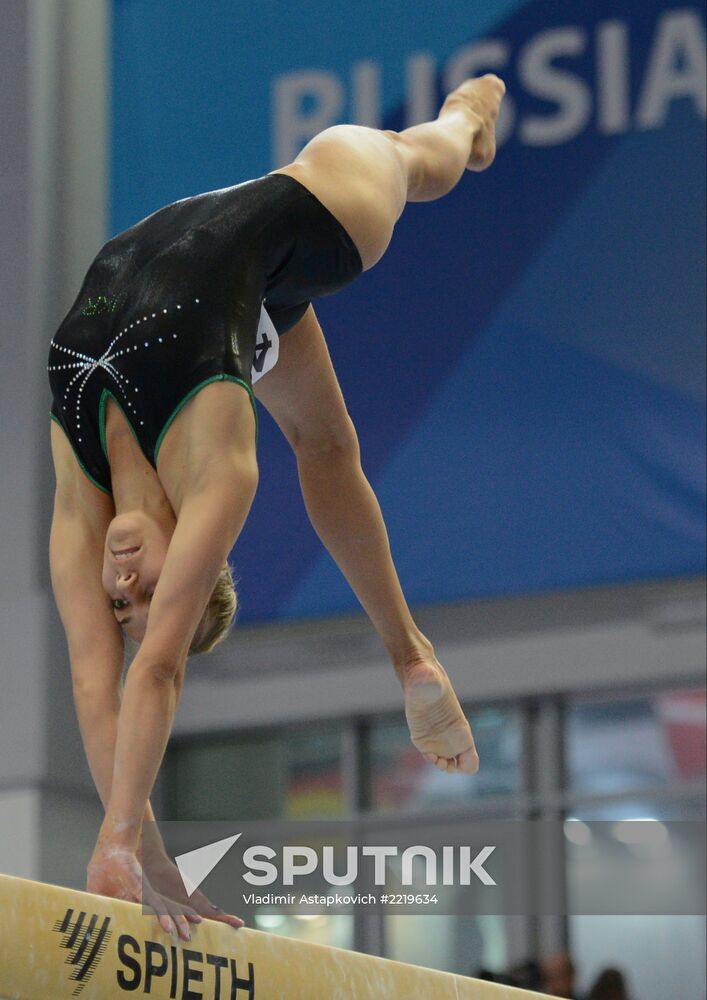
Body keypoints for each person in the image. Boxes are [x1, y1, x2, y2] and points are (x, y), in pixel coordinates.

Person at [48, 75, 506, 939]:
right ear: (198, 555)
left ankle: (409, 655)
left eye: (121, 605)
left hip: (212, 262)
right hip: (295, 216)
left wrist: (146, 861)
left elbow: (92, 678)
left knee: (327, 441)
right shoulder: (219, 468)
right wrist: (122, 843)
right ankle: (410, 655)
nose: (120, 587)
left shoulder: (78, 493)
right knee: (416, 164)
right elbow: (154, 671)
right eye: (146, 595)